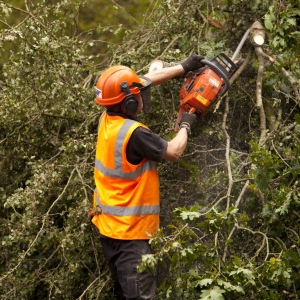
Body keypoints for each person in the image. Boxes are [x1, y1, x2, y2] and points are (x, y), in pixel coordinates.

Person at [91, 54, 205, 300]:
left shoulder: (106, 119)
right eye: (138, 95)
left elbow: (146, 80)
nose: (143, 95)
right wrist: (187, 123)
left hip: (110, 230)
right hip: (132, 237)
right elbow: (173, 152)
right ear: (129, 103)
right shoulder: (135, 134)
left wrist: (183, 68)